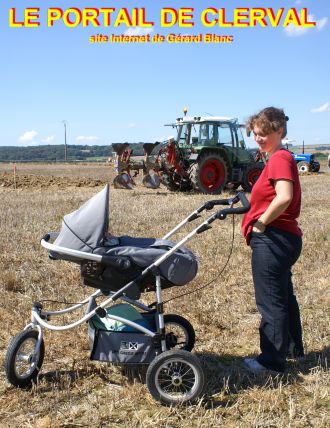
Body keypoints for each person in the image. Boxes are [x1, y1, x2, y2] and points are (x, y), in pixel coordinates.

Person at [241, 107, 304, 374]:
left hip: (273, 239)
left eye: (264, 133)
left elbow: (284, 196)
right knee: (283, 296)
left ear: (279, 130)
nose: (258, 138)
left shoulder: (279, 158)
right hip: (285, 238)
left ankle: (272, 363)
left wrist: (262, 222)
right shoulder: (279, 157)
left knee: (270, 301)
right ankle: (291, 349)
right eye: (255, 133)